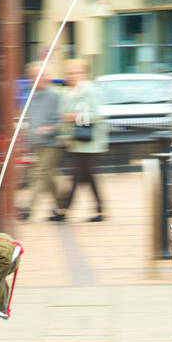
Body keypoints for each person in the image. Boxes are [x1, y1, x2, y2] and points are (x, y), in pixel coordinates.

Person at [58, 59, 108, 221]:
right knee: (87, 175)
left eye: (76, 72)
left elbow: (98, 114)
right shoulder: (69, 93)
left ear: (84, 74)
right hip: (77, 141)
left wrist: (75, 116)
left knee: (77, 175)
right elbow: (63, 114)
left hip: (91, 141)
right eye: (70, 73)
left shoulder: (91, 91)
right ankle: (100, 210)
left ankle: (64, 209)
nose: (72, 76)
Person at [19, 62, 67, 221]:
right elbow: (30, 119)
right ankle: (62, 203)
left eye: (39, 75)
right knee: (49, 175)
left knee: (39, 174)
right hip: (37, 143)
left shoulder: (55, 95)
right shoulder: (31, 95)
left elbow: (61, 119)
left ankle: (28, 208)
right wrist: (28, 142)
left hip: (52, 143)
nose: (35, 78)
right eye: (33, 75)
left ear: (46, 77)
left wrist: (49, 129)